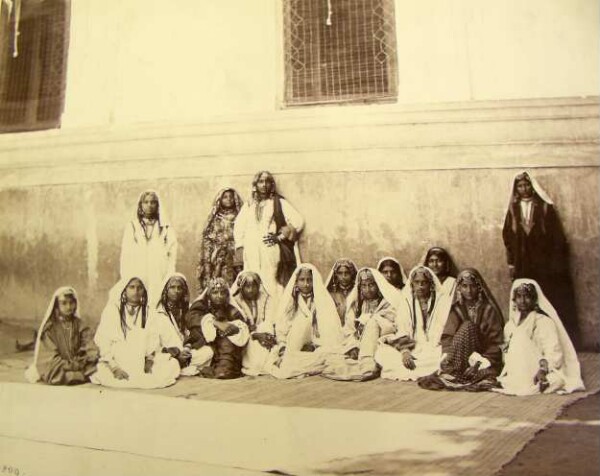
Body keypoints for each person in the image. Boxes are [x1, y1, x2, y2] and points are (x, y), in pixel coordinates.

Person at [502, 171, 579, 346]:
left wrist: (553, 262)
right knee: (524, 296)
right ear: (516, 189)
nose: (524, 188)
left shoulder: (545, 207)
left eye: (527, 185)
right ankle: (528, 337)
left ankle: (552, 339)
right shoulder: (513, 210)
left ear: (533, 186)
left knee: (547, 297)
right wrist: (512, 261)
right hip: (523, 262)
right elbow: (507, 236)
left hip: (544, 263)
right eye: (520, 186)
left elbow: (557, 237)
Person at [417, 269, 504, 391]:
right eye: (464, 286)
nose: (468, 290)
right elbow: (448, 337)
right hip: (460, 358)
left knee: (468, 326)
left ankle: (466, 373)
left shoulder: (488, 310)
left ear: (479, 287)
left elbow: (495, 343)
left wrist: (478, 363)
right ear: (459, 288)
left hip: (483, 356)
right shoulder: (456, 309)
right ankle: (455, 371)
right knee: (467, 327)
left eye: (473, 286)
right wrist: (447, 357)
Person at [496, 279, 584, 396]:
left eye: (527, 297)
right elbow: (506, 353)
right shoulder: (510, 325)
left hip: (538, 367)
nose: (522, 301)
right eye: (519, 296)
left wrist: (542, 370)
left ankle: (537, 381)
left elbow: (553, 351)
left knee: (520, 337)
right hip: (517, 369)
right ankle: (525, 382)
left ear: (534, 299)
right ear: (514, 299)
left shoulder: (544, 322)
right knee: (518, 337)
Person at [91, 277, 180, 389]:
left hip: (141, 358)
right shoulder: (112, 310)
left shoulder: (149, 312)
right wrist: (114, 368)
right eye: (131, 287)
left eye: (140, 288)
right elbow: (104, 340)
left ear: (144, 290)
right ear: (124, 289)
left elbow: (153, 340)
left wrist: (149, 361)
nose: (136, 291)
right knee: (102, 371)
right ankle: (124, 373)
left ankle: (140, 374)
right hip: (118, 358)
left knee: (172, 365)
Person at [234, 171, 304, 300]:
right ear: (255, 184)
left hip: (269, 248)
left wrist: (279, 237)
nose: (264, 185)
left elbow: (298, 221)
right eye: (261, 182)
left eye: (267, 181)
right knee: (251, 281)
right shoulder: (249, 204)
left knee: (270, 280)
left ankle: (276, 315)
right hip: (251, 250)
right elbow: (238, 226)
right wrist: (240, 247)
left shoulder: (278, 202)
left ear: (271, 184)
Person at [322, 268, 400, 381]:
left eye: (371, 285)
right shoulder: (356, 305)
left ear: (378, 286)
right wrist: (353, 345)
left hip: (380, 342)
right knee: (330, 357)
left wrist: (371, 322)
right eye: (364, 286)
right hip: (358, 343)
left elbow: (392, 326)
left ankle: (367, 365)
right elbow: (349, 329)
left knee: (374, 324)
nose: (368, 289)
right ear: (360, 287)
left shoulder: (387, 304)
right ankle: (361, 362)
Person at [375, 266, 452, 381]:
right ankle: (423, 367)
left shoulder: (442, 301)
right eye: (417, 282)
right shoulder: (406, 302)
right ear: (412, 284)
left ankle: (424, 367)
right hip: (412, 346)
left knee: (442, 357)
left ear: (430, 284)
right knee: (382, 352)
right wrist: (405, 351)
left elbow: (444, 328)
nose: (420, 286)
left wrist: (432, 345)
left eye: (424, 283)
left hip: (435, 347)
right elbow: (402, 329)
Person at [271, 264, 345, 379]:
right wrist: (283, 346)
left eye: (309, 280)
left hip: (317, 344)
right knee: (302, 322)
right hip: (293, 344)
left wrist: (315, 345)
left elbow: (328, 329)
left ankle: (300, 361)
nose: (306, 284)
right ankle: (296, 360)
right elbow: (282, 328)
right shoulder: (290, 301)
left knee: (328, 355)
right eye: (302, 280)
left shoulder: (322, 299)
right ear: (296, 281)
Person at [24, 287, 98, 385]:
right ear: (56, 306)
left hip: (79, 365)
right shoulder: (50, 329)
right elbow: (49, 357)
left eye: (71, 303)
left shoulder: (80, 325)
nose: (68, 307)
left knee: (98, 367)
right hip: (59, 368)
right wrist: (71, 366)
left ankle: (78, 375)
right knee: (53, 370)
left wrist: (83, 360)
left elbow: (90, 347)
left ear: (75, 304)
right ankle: (74, 376)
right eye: (64, 303)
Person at [120, 190, 178, 305]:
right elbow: (125, 256)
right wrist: (128, 279)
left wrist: (167, 278)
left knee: (156, 304)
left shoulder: (166, 229)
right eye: (145, 202)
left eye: (153, 202)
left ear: (158, 205)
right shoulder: (132, 227)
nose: (149, 205)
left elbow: (172, 256)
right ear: (140, 205)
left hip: (158, 274)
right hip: (137, 273)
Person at [186, 278, 250, 379]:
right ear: (208, 294)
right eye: (215, 293)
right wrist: (214, 323)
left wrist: (233, 328)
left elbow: (241, 324)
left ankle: (225, 368)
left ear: (227, 295)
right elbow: (192, 319)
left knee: (228, 338)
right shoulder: (201, 305)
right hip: (204, 342)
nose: (219, 296)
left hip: (225, 345)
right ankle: (221, 367)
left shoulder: (231, 309)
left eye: (222, 293)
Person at [151, 273, 213, 376]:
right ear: (166, 290)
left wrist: (187, 348)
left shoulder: (188, 309)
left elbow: (193, 334)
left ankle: (183, 364)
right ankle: (182, 364)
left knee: (208, 351)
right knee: (165, 361)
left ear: (184, 290)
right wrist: (175, 353)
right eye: (172, 287)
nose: (176, 291)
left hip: (187, 352)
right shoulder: (158, 312)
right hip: (168, 353)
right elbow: (155, 343)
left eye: (179, 288)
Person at [230, 271, 278, 376]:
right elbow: (238, 326)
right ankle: (257, 363)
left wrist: (263, 333)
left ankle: (265, 361)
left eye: (254, 286)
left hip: (265, 336)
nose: (250, 290)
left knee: (266, 326)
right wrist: (255, 334)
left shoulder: (266, 298)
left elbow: (270, 319)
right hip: (246, 339)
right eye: (247, 286)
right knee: (255, 361)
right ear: (241, 287)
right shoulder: (235, 301)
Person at [196, 188, 244, 293]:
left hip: (236, 258)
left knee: (236, 286)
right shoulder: (214, 219)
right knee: (218, 286)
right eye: (225, 197)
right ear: (220, 199)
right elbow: (207, 239)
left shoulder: (241, 217)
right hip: (218, 259)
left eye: (231, 197)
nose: (229, 199)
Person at [325, 258, 358, 325]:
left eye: (347, 273)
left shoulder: (358, 292)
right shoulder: (330, 294)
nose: (344, 276)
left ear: (352, 274)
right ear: (336, 275)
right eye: (340, 273)